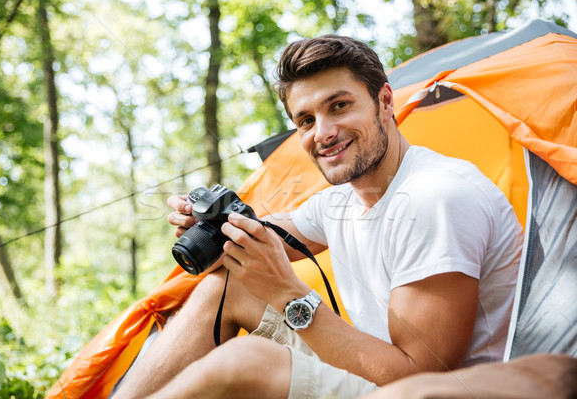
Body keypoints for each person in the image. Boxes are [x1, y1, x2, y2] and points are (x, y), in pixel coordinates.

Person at [113, 35, 523, 399]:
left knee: (246, 360)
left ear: (384, 101)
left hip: (430, 390)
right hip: (378, 375)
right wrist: (215, 228)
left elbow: (420, 376)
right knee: (225, 286)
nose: (322, 133)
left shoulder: (435, 196)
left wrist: (290, 294)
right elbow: (262, 238)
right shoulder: (342, 201)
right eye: (306, 120)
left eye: (339, 106)